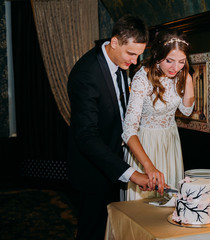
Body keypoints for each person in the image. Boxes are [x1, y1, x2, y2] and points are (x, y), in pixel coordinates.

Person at [67, 15, 164, 240]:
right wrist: (132, 174)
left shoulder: (119, 61)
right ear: (114, 42)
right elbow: (87, 137)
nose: (134, 61)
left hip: (115, 160)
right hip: (92, 170)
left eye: (139, 55)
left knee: (113, 230)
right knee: (92, 231)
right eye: (131, 54)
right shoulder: (86, 75)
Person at [122, 30, 195, 200]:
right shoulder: (142, 79)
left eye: (181, 62)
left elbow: (186, 110)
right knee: (144, 205)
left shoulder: (181, 75)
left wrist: (189, 80)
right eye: (169, 61)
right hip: (146, 143)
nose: (175, 68)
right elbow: (128, 130)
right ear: (157, 55)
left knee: (170, 203)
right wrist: (148, 166)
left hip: (170, 142)